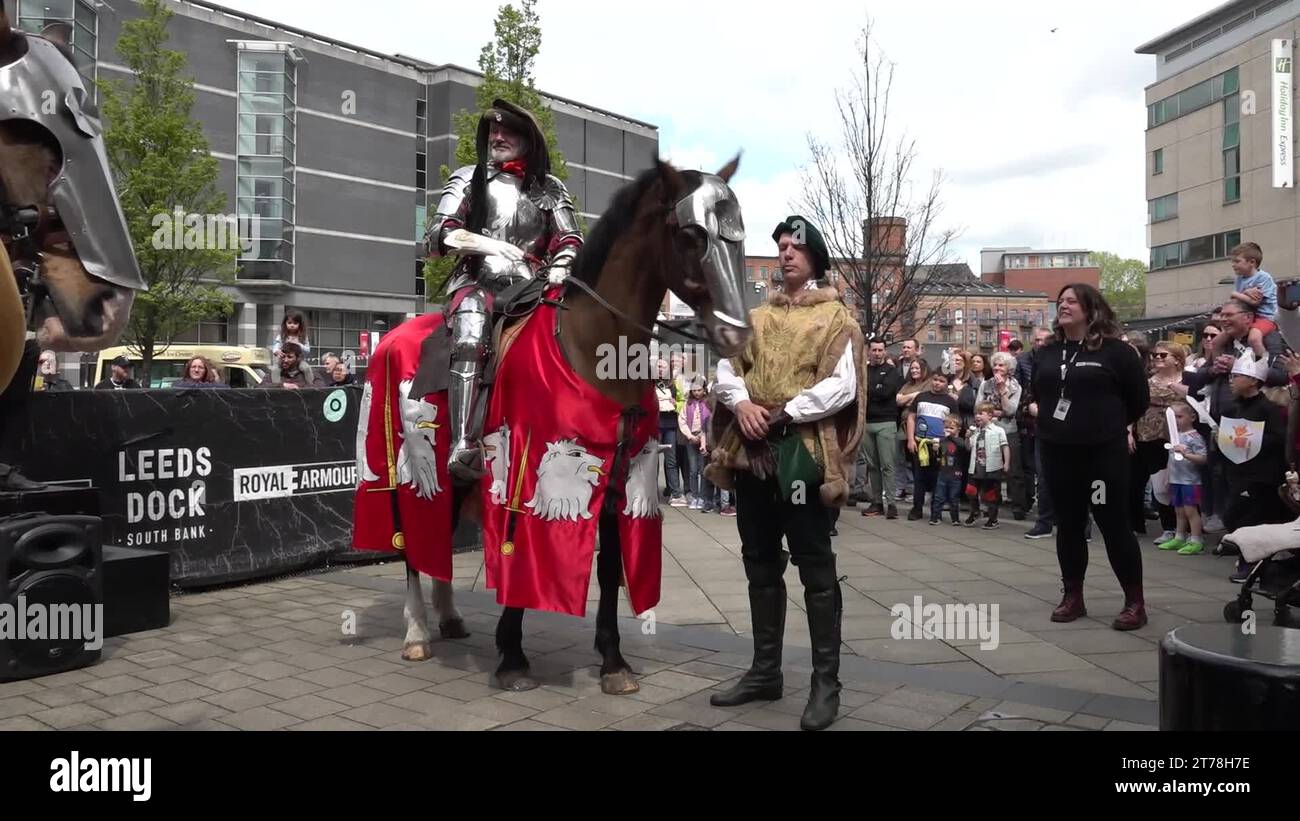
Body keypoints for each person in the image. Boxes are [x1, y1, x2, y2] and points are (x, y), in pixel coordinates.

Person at [708, 215, 864, 731]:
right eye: (780, 246)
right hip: (753, 449)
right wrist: (744, 404)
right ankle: (765, 671)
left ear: (814, 255)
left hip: (802, 451)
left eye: (796, 246)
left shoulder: (839, 319)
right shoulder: (755, 317)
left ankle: (826, 684)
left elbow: (842, 386)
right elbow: (727, 369)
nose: (786, 253)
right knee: (759, 561)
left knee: (815, 565)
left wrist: (784, 412)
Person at [423, 98, 583, 482]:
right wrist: (488, 244)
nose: (497, 136)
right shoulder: (469, 177)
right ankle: (463, 443)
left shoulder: (549, 187)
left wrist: (561, 265)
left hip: (533, 285)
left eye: (506, 130)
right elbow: (436, 236)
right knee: (473, 323)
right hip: (478, 282)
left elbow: (571, 237)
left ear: (528, 138)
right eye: (493, 130)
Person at [1032, 283, 1150, 631]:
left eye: (1071, 300)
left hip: (1101, 454)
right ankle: (1073, 597)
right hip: (1058, 451)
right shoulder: (1049, 351)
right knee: (1068, 525)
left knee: (1113, 524)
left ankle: (1134, 602)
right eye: (1060, 300)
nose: (1063, 305)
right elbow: (1040, 390)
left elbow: (1138, 400)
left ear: (1091, 308)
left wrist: (1106, 425)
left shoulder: (1117, 352)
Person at [1219, 350, 1289, 582]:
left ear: (1252, 381)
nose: (1232, 380)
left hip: (1260, 475)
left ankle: (1252, 565)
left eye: (1236, 376)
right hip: (1238, 471)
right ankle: (1247, 560)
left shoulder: (1267, 408)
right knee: (1233, 515)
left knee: (1247, 518)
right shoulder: (1233, 407)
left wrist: (1250, 438)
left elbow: (1278, 438)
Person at [1133, 341, 1189, 544]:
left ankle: (1189, 527)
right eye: (1155, 355)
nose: (1157, 358)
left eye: (1163, 355)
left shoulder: (1188, 379)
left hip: (1181, 437)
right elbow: (1134, 405)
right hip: (1150, 436)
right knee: (1160, 484)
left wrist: (1176, 387)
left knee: (1184, 482)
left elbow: (1196, 399)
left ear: (1177, 359)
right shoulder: (1146, 381)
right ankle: (1169, 527)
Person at [976, 351, 1027, 519]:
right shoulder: (986, 384)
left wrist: (1002, 391)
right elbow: (979, 408)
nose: (997, 368)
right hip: (988, 430)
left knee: (1014, 471)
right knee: (988, 469)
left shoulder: (1015, 386)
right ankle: (990, 505)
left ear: (1009, 369)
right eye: (995, 364)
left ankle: (1019, 507)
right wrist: (997, 413)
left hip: (1008, 431)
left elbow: (1011, 410)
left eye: (1001, 365)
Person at [1208, 242, 1278, 363]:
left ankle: (1264, 366)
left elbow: (1254, 302)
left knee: (1254, 339)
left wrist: (1235, 293)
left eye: (1237, 261)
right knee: (1216, 342)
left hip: (1265, 317)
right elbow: (1238, 302)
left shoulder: (1263, 277)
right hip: (1248, 316)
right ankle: (1218, 367)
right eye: (1232, 262)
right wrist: (1245, 292)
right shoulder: (1240, 279)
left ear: (1252, 262)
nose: (1233, 265)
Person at [859, 337, 903, 519]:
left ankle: (891, 503)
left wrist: (871, 391)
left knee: (887, 464)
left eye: (880, 350)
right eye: (874, 350)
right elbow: (860, 391)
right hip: (867, 423)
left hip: (886, 422)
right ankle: (877, 502)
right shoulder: (863, 371)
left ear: (884, 351)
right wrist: (873, 390)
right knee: (872, 465)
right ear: (869, 351)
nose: (877, 353)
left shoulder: (892, 371)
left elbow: (885, 392)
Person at [906, 369, 958, 521]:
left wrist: (949, 443)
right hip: (920, 443)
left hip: (940, 445)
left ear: (946, 383)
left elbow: (954, 423)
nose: (937, 383)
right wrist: (910, 439)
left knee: (938, 479)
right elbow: (911, 418)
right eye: (935, 380)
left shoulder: (950, 401)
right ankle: (917, 508)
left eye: (941, 381)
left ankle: (936, 511)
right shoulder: (921, 397)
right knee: (919, 477)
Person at [1157, 402, 1208, 555]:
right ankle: (1179, 536)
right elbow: (1171, 458)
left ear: (1192, 417)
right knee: (1178, 511)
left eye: (1179, 417)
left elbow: (1203, 458)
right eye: (1173, 418)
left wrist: (1186, 454)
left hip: (1191, 481)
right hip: (1176, 479)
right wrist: (1167, 476)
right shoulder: (1175, 436)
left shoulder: (1195, 437)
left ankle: (1196, 539)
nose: (1176, 421)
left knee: (1191, 511)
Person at [965, 402, 1010, 529]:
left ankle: (993, 518)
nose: (977, 416)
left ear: (990, 415)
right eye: (976, 414)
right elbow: (969, 448)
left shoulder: (998, 430)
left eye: (980, 413)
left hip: (992, 467)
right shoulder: (975, 431)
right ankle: (975, 511)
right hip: (975, 467)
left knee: (990, 494)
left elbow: (1005, 447)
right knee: (971, 491)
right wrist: (967, 438)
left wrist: (1006, 463)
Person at [679, 374, 712, 510]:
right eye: (694, 390)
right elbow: (682, 420)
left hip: (705, 438)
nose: (697, 393)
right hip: (691, 438)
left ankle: (704, 497)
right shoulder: (688, 403)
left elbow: (710, 421)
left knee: (703, 470)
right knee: (693, 470)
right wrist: (689, 435)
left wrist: (705, 437)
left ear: (704, 389)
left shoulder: (708, 403)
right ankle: (695, 496)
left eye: (699, 390)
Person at [933, 415, 966, 526]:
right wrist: (935, 451)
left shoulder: (960, 441)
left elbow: (962, 447)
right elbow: (938, 459)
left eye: (951, 428)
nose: (948, 430)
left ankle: (955, 518)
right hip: (943, 472)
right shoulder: (942, 441)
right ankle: (935, 517)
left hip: (955, 474)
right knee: (939, 496)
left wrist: (951, 437)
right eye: (946, 427)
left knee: (954, 497)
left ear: (958, 429)